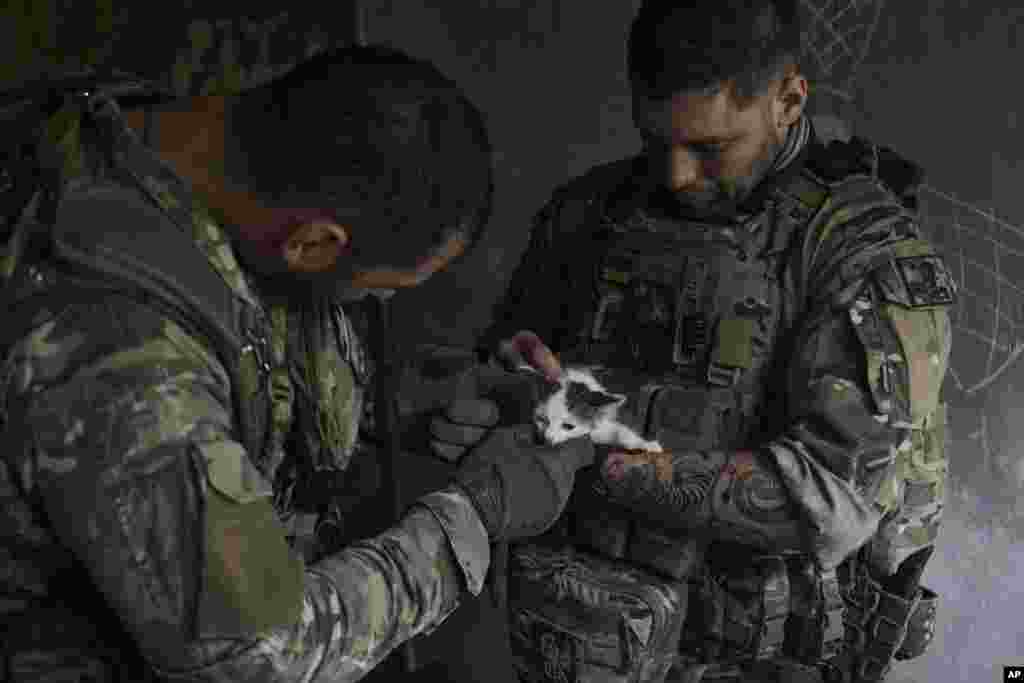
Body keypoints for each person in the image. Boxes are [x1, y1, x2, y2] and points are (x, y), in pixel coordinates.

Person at [0, 44, 595, 682]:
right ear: (311, 243)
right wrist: (475, 514)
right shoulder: (122, 355)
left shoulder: (166, 137)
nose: (377, 306)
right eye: (377, 293)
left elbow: (252, 326)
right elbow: (257, 658)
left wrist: (411, 399)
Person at [430, 1, 955, 681]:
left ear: (788, 100)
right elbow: (514, 370)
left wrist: (594, 449)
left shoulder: (859, 252)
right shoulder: (588, 213)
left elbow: (826, 501)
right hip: (574, 643)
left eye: (710, 148)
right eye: (655, 141)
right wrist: (490, 397)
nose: (676, 175)